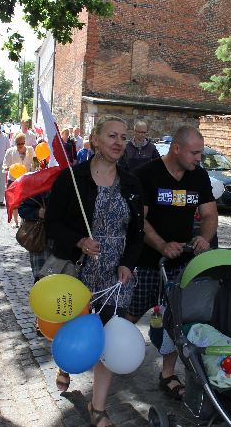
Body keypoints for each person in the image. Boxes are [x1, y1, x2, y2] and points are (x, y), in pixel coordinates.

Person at [46, 115, 144, 427]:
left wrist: (128, 262)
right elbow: (52, 224)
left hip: (116, 274)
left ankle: (97, 407)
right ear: (95, 140)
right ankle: (66, 363)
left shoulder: (131, 183)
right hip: (79, 270)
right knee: (71, 327)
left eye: (123, 137)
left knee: (109, 336)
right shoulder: (72, 179)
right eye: (112, 136)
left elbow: (138, 231)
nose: (119, 142)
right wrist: (79, 240)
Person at [127, 125, 218, 400]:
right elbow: (138, 221)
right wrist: (161, 245)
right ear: (176, 149)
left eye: (200, 153)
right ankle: (111, 357)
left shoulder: (198, 176)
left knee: (175, 318)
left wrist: (204, 237)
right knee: (130, 315)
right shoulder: (147, 174)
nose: (198, 159)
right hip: (146, 262)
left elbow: (210, 215)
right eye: (194, 153)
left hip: (182, 262)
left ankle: (167, 374)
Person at [3, 132, 35, 228]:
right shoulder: (10, 151)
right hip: (13, 179)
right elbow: (4, 165)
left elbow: (35, 162)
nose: (21, 145)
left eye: (22, 143)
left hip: (26, 179)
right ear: (15, 143)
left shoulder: (30, 150)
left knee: (25, 201)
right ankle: (15, 221)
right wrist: (11, 168)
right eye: (18, 143)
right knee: (14, 201)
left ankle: (23, 220)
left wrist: (36, 167)